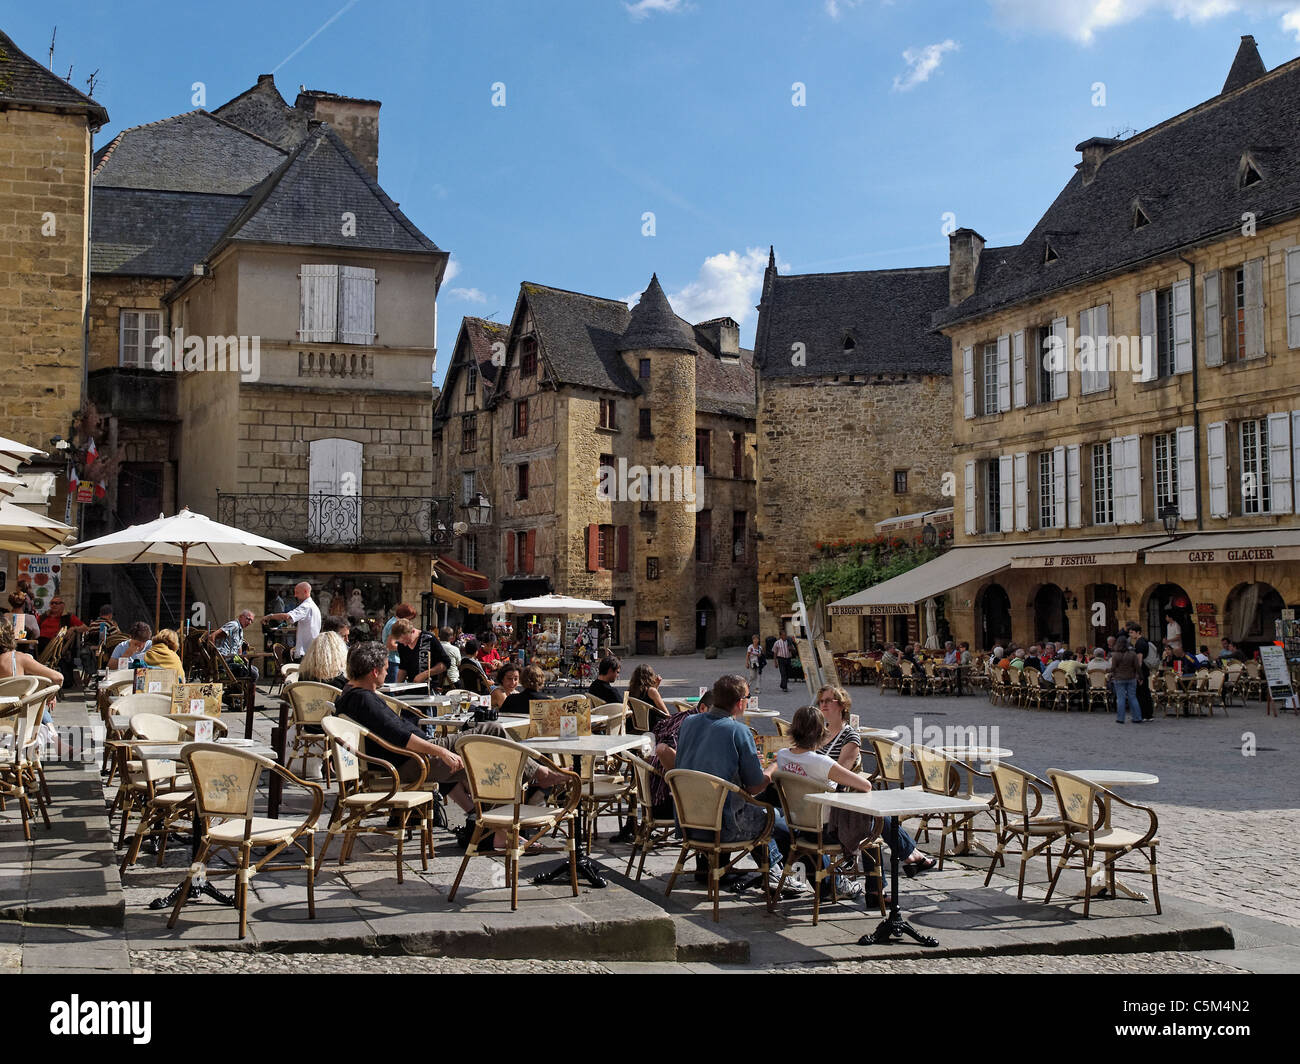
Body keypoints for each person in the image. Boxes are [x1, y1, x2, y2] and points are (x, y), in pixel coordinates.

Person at [334, 642, 564, 852]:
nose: (387, 672)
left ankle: (499, 825)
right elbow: (401, 737)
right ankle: (533, 783)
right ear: (374, 672)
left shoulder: (353, 695)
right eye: (385, 668)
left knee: (493, 748)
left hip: (408, 757)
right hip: (411, 760)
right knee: (493, 738)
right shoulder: (363, 699)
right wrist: (441, 751)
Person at [675, 674, 790, 893]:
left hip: (688, 822)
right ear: (740, 703)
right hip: (723, 825)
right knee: (779, 819)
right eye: (747, 696)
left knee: (757, 810)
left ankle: (772, 871)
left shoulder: (688, 722)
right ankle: (780, 873)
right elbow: (756, 786)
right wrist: (774, 765)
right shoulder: (738, 730)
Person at [814, 685, 935, 877]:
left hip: (835, 798)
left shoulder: (849, 736)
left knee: (873, 816)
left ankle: (907, 860)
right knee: (874, 817)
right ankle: (911, 857)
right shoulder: (819, 732)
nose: (823, 705)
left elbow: (840, 774)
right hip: (823, 799)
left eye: (829, 700)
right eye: (821, 701)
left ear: (842, 705)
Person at [0, 625, 65, 752]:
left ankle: (59, 744)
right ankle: (58, 743)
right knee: (32, 700)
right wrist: (48, 696)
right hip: (16, 729)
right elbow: (58, 678)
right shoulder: (18, 659)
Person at [263, 582, 321, 661]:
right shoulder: (312, 606)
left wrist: (269, 616)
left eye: (297, 592)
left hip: (306, 652)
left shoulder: (306, 606)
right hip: (310, 650)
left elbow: (287, 616)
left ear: (305, 591)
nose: (295, 595)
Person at [388, 618, 449, 686]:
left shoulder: (429, 638)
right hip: (410, 686)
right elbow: (403, 667)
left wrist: (426, 674)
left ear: (413, 631)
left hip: (429, 687)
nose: (405, 644)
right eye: (401, 642)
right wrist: (398, 686)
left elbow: (446, 663)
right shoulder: (402, 645)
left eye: (406, 640)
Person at [210, 609, 258, 681]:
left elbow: (239, 652)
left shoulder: (240, 630)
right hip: (224, 660)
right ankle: (247, 691)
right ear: (241, 617)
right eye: (248, 619)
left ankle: (236, 689)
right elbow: (212, 636)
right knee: (253, 674)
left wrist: (244, 659)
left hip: (232, 659)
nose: (249, 622)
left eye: (251, 621)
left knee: (254, 669)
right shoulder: (234, 625)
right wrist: (214, 653)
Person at [1110, 635, 1143, 724]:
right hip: (1131, 678)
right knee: (1133, 697)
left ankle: (1120, 718)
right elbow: (1137, 667)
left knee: (1121, 698)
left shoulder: (1115, 655)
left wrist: (1110, 674)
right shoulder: (1132, 654)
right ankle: (1137, 717)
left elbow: (1113, 668)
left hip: (1119, 678)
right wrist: (1141, 677)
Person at [381, 604, 417, 683]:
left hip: (394, 661)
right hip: (393, 661)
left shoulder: (393, 622)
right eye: (410, 618)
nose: (410, 621)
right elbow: (390, 645)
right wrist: (407, 647)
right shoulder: (395, 624)